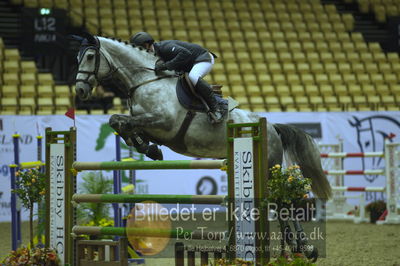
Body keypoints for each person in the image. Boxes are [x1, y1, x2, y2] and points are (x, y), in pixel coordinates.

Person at [130, 32, 223, 124]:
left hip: (203, 58)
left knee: (193, 77)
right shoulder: (155, 54)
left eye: (140, 48)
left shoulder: (164, 47)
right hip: (189, 64)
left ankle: (216, 109)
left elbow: (185, 54)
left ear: (146, 45)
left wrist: (166, 65)